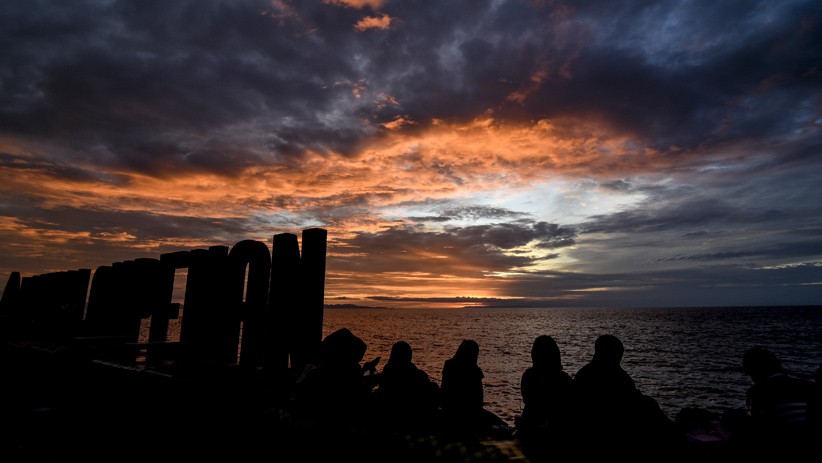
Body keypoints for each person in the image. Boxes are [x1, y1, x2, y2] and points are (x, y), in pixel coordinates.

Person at [572, 334, 679, 452]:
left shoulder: (584, 374)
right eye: (617, 355)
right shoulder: (615, 377)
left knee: (649, 404)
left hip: (601, 428)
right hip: (610, 431)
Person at [738, 346, 815, 454]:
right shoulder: (809, 386)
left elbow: (757, 428)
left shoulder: (756, 392)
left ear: (755, 371)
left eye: (750, 372)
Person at [440, 339, 509, 438]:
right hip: (469, 414)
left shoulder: (449, 365)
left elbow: (444, 392)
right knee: (500, 424)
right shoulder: (474, 370)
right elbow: (479, 400)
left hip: (450, 410)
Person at [372, 340, 440, 434]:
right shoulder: (417, 375)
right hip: (410, 422)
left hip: (388, 420)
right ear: (409, 356)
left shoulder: (387, 373)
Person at [516, 335, 573, 442]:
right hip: (554, 434)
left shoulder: (528, 375)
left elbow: (528, 400)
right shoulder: (564, 379)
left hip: (529, 430)